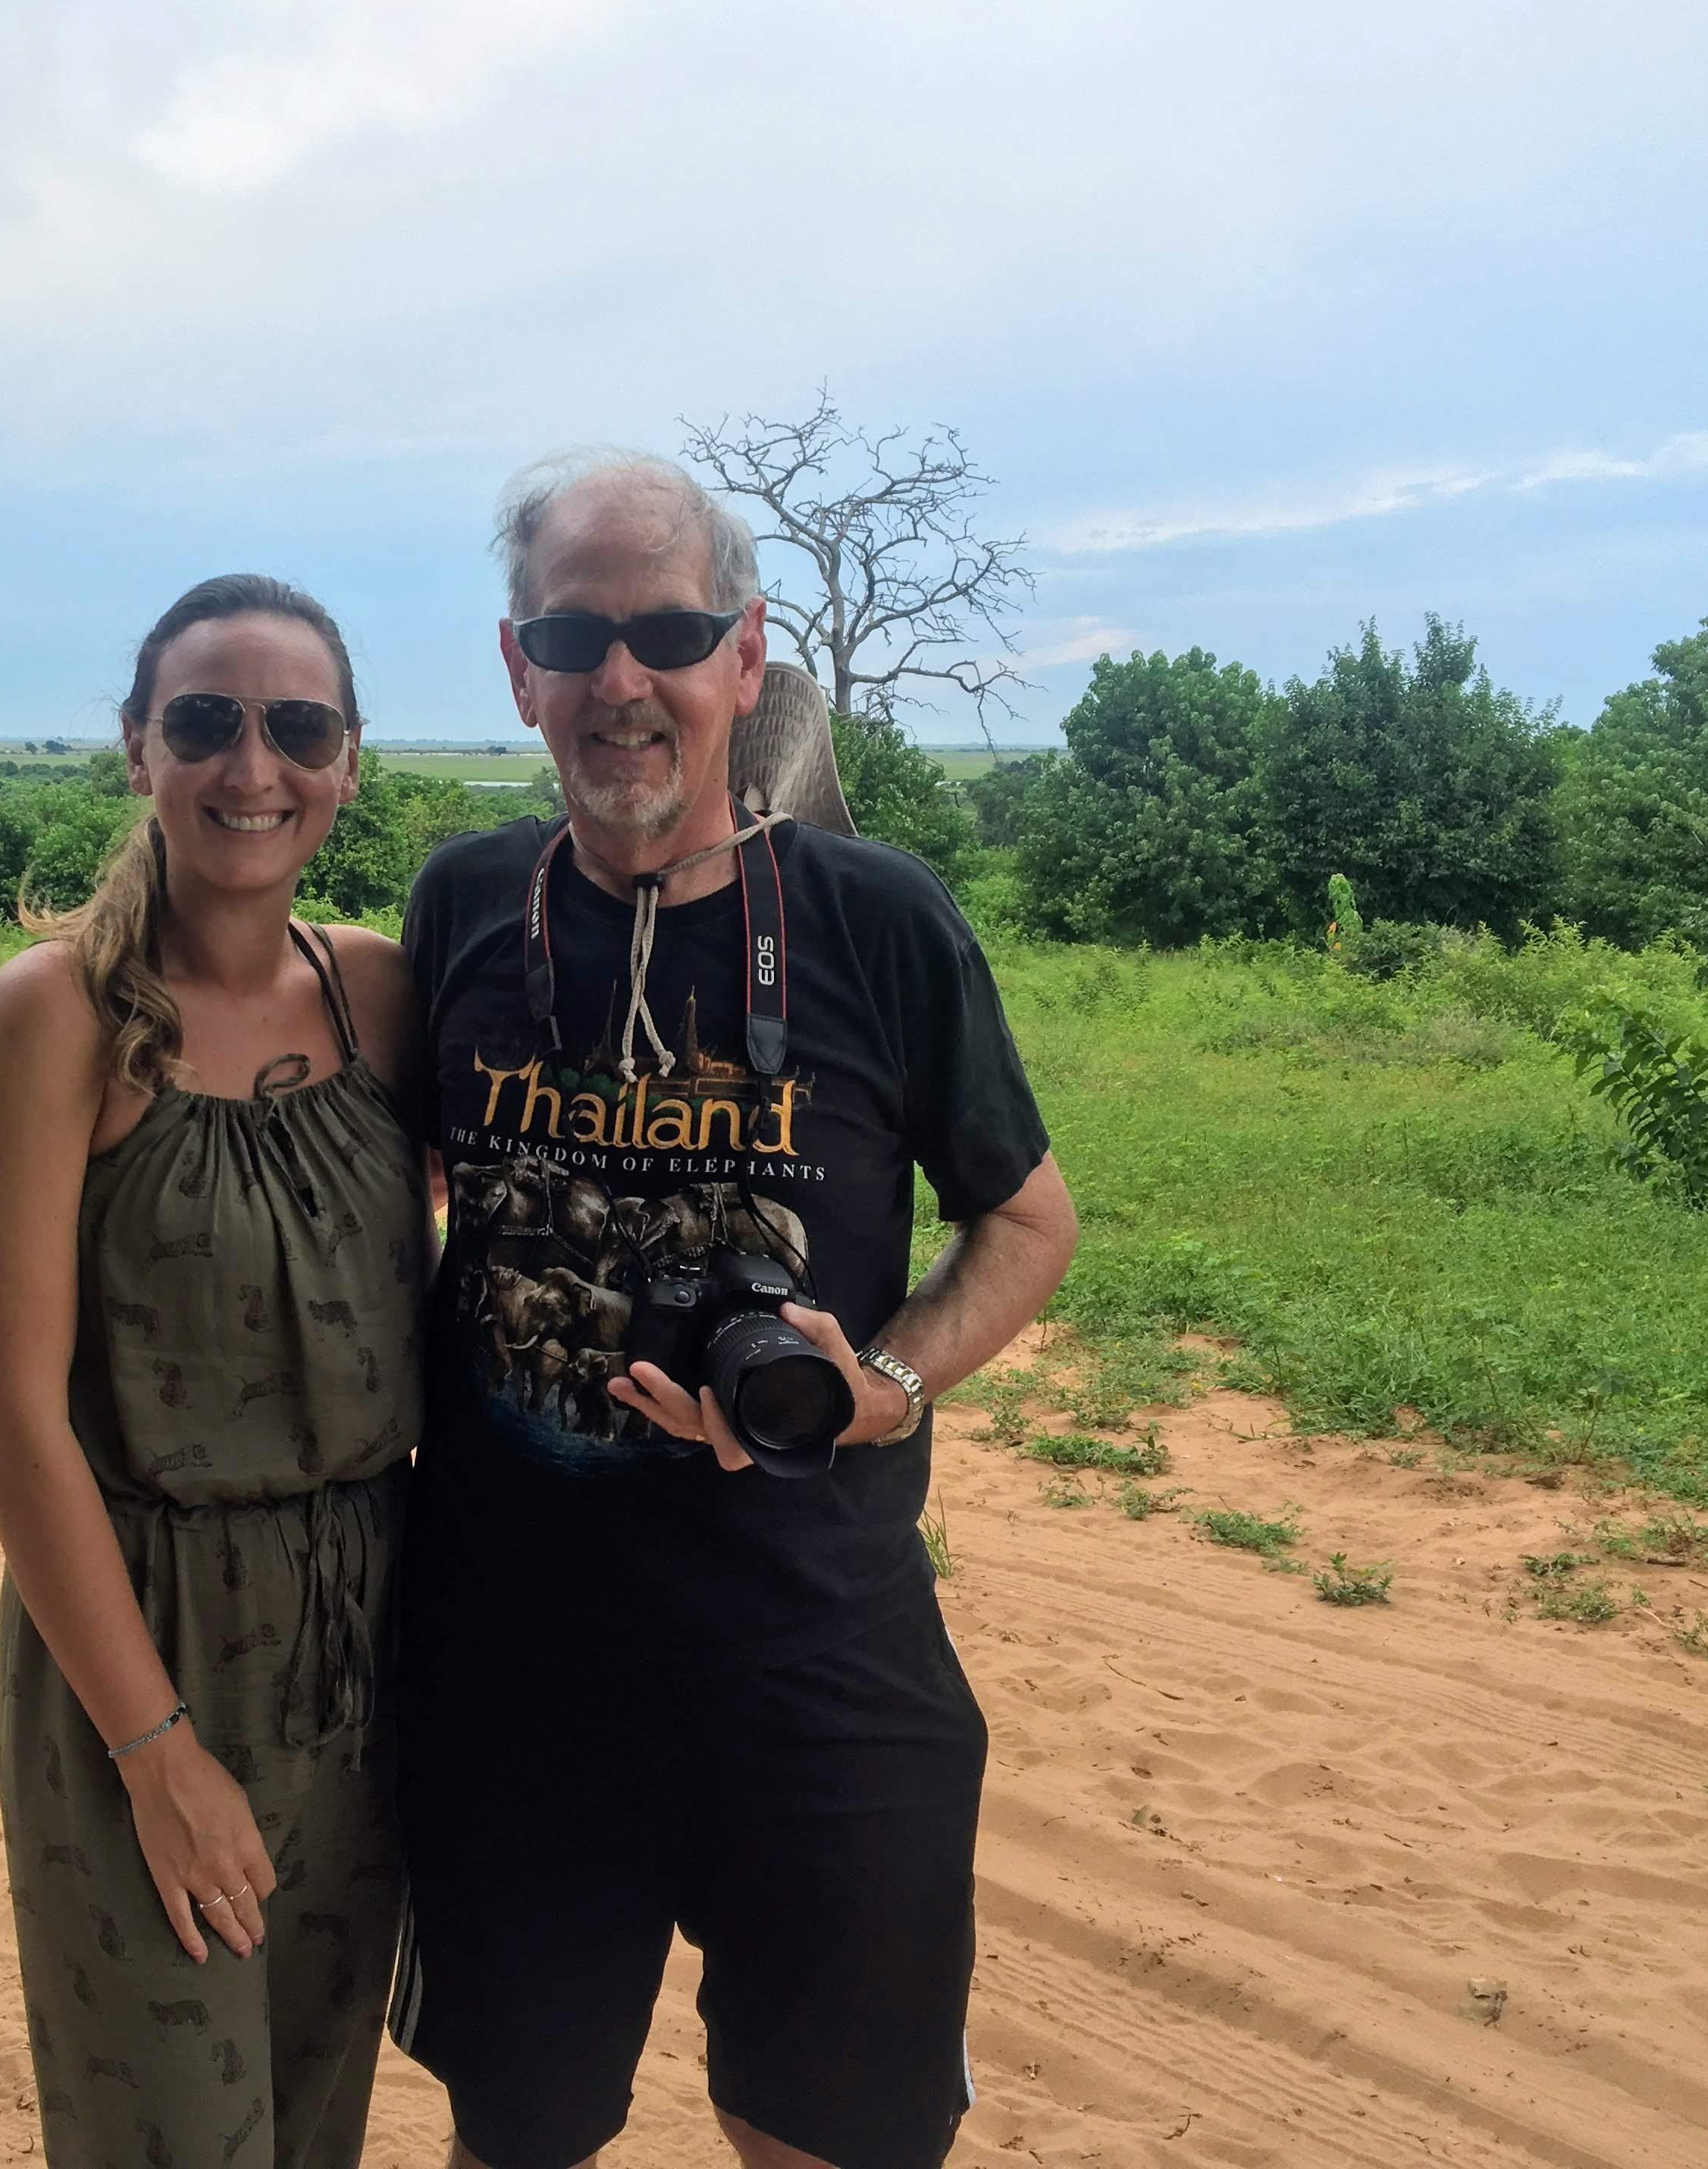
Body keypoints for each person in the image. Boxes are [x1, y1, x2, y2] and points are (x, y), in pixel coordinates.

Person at [390, 453, 1081, 2169]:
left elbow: (1026, 1219)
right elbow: (398, 1193)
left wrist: (888, 1386)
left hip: (819, 1661)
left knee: (833, 2137)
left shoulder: (877, 919)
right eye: (573, 633)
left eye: (668, 631)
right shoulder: (466, 905)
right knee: (520, 2135)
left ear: (744, 656)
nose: (620, 679)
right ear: (516, 665)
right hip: (516, 1672)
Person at [0, 574, 426, 2169]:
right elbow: (9, 1409)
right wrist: (154, 1755)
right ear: (137, 745)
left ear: (350, 761)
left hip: (368, 1630)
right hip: (145, 1633)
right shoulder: (56, 1019)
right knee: (172, 2128)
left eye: (298, 727)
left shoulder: (378, 1000)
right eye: (206, 722)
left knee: (311, 2110)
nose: (252, 767)